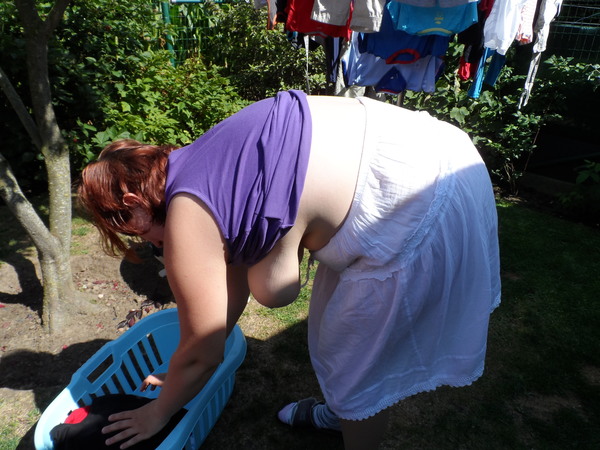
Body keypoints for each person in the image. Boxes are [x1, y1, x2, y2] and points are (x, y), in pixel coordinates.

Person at [78, 90, 501, 450]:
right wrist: (182, 365)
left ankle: (350, 419)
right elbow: (220, 310)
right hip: (435, 149)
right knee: (333, 335)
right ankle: (341, 414)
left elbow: (205, 352)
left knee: (357, 371)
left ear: (133, 201)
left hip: (414, 199)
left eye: (134, 230)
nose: (149, 243)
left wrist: (155, 413)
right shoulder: (201, 165)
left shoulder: (187, 213)